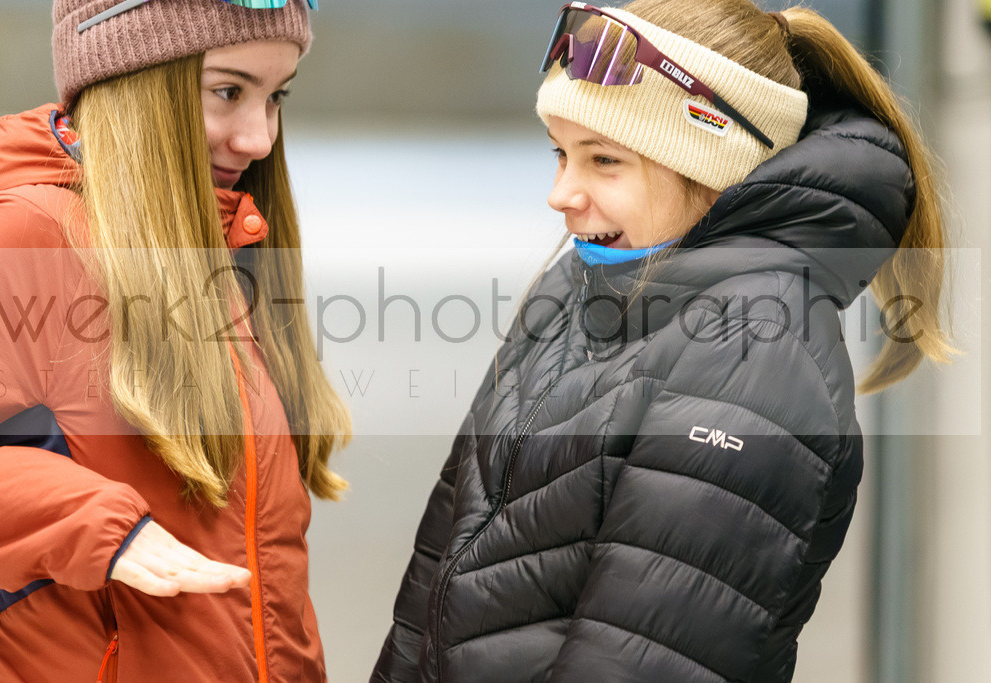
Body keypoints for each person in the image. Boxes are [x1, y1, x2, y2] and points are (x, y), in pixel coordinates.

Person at [372, 0, 951, 681]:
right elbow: (431, 587)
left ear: (715, 164)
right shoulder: (575, 288)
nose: (562, 192)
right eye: (561, 153)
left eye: (604, 160)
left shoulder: (753, 353)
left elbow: (649, 658)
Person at [0, 0, 349, 681]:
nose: (259, 137)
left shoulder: (227, 238)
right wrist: (95, 525)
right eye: (227, 91)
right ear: (135, 81)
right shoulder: (23, 234)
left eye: (275, 95)